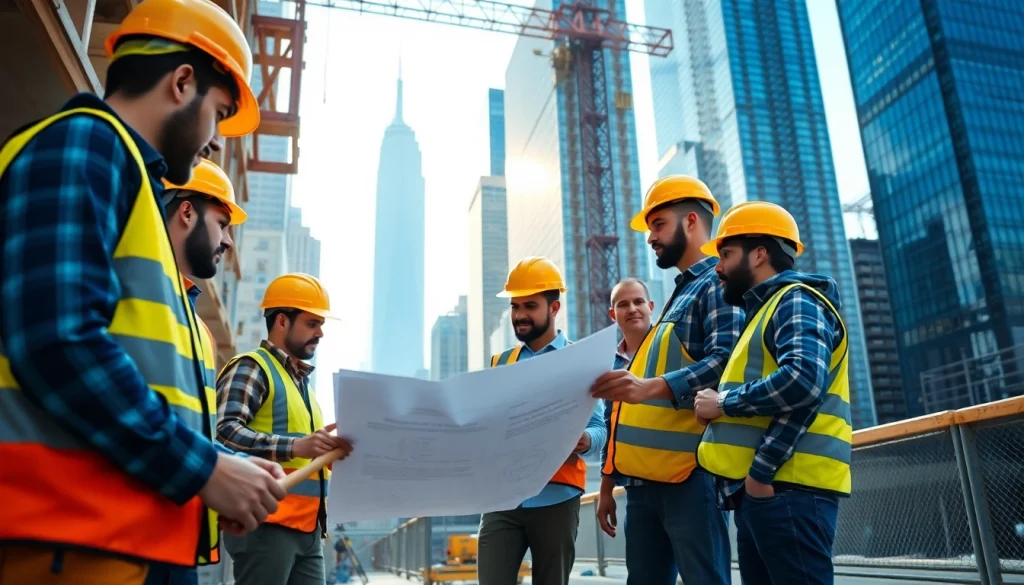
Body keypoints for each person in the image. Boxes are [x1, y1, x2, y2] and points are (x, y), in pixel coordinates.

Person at [0, 0, 282, 583]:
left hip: (118, 536)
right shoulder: (84, 144)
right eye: (219, 112)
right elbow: (57, 341)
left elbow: (142, 381)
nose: (210, 142)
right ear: (183, 82)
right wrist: (203, 468)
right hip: (67, 539)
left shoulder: (130, 183)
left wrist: (225, 469)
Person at [590, 175, 744, 585]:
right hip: (645, 485)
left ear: (691, 221)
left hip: (689, 478)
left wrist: (650, 388)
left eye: (658, 225)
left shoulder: (716, 283)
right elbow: (621, 414)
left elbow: (726, 362)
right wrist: (612, 483)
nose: (651, 238)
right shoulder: (682, 293)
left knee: (704, 578)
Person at [693, 200, 853, 585]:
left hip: (786, 490)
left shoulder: (796, 300)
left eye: (726, 254)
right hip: (768, 492)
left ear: (760, 253)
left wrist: (724, 405)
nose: (717, 268)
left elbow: (803, 381)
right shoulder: (765, 312)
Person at [143, 158, 251, 585]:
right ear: (186, 211)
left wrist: (241, 471)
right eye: (223, 224)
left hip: (176, 535)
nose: (228, 241)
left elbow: (192, 428)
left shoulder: (200, 331)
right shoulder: (129, 288)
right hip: (118, 533)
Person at [216, 273, 354, 585]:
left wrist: (328, 453)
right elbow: (224, 432)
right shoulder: (251, 367)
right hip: (267, 523)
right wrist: (297, 447)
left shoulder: (303, 387)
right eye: (312, 323)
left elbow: (305, 455)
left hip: (307, 529)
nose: (320, 333)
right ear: (282, 321)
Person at [477, 256, 607, 585]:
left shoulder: (582, 361)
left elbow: (600, 428)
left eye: (530, 306)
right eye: (515, 306)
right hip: (502, 498)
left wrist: (585, 440)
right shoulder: (500, 362)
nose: (519, 315)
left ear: (554, 308)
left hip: (557, 498)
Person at [595, 278, 653, 538]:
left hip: (684, 481)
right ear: (612, 314)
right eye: (623, 304)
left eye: (639, 301)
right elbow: (611, 431)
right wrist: (605, 491)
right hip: (636, 489)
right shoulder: (608, 366)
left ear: (651, 306)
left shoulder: (672, 347)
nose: (632, 309)